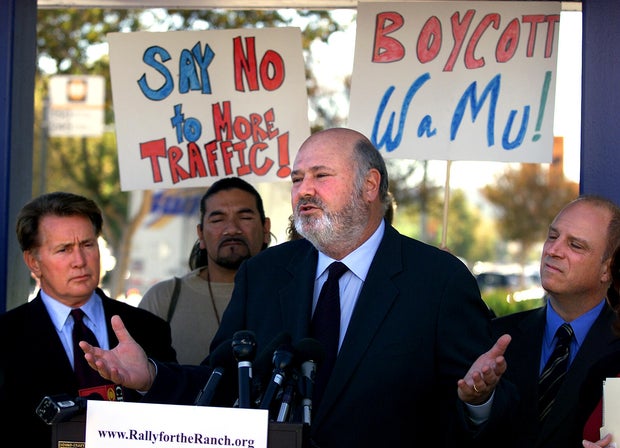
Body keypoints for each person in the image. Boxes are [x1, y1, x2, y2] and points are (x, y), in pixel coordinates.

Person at [81, 128, 515, 447]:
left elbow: (484, 409)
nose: (303, 191)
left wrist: (479, 400)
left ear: (370, 185)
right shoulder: (265, 274)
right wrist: (151, 375)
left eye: (321, 176)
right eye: (296, 179)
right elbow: (225, 383)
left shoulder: (438, 280)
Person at [0, 191, 177, 446]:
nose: (80, 261)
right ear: (33, 262)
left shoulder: (148, 328)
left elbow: (175, 416)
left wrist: (146, 383)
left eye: (87, 245)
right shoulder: (5, 338)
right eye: (64, 249)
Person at [491, 195, 620, 448]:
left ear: (608, 268)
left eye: (575, 245)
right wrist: (476, 403)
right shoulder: (496, 337)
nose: (553, 250)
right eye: (552, 236)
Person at [138, 177, 272, 364]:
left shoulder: (292, 292)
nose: (232, 229)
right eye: (217, 220)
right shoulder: (163, 299)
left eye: (245, 217)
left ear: (266, 228)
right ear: (200, 233)